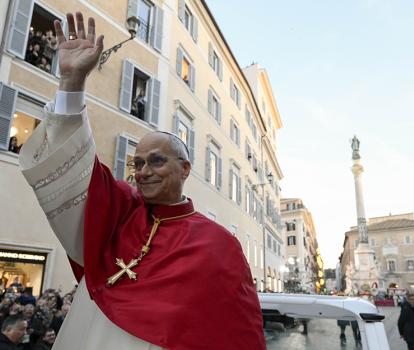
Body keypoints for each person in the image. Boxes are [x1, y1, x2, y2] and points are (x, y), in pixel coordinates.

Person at [19, 12, 265, 350]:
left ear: (186, 169)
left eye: (157, 161)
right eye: (137, 162)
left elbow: (235, 333)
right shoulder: (120, 212)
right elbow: (78, 174)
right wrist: (72, 84)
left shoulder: (220, 245)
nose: (143, 170)